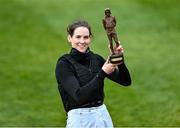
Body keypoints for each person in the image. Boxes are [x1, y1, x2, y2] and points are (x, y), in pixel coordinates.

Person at [55, 20, 131, 127]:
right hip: (79, 118)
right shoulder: (64, 64)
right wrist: (103, 72)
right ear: (69, 38)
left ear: (90, 38)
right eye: (78, 37)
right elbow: (79, 96)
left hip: (102, 114)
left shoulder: (97, 59)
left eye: (86, 37)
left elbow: (125, 81)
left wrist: (119, 60)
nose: (82, 41)